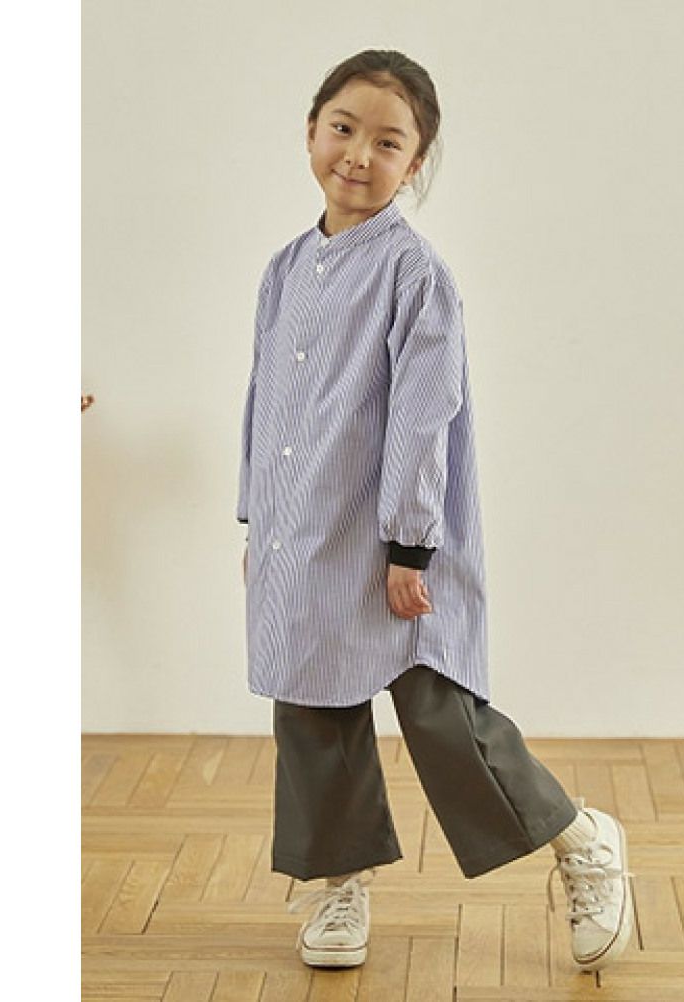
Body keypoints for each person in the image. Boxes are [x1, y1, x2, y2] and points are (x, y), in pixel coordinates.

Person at [236, 48, 634, 973]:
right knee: (312, 708)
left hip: (394, 541)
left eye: (388, 142)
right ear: (310, 131)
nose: (358, 155)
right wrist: (258, 519)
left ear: (414, 164)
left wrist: (410, 547)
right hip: (303, 532)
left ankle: (580, 838)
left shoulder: (416, 275)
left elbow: (425, 415)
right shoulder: (285, 269)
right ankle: (340, 882)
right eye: (343, 129)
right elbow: (264, 401)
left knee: (440, 712)